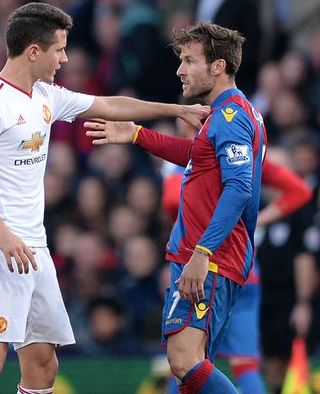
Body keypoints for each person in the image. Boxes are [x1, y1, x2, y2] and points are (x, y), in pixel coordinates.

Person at [0, 2, 208, 394]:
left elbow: (110, 104)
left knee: (43, 364)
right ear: (34, 51)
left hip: (33, 247)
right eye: (59, 49)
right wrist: (1, 233)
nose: (65, 58)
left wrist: (176, 109)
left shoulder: (46, 96)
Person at [86, 21, 265, 393]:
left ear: (218, 67)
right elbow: (196, 156)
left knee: (184, 362)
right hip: (206, 256)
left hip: (210, 257)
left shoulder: (231, 117)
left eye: (189, 60)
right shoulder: (225, 114)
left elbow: (239, 189)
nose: (180, 70)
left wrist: (202, 253)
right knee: (191, 373)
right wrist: (136, 134)